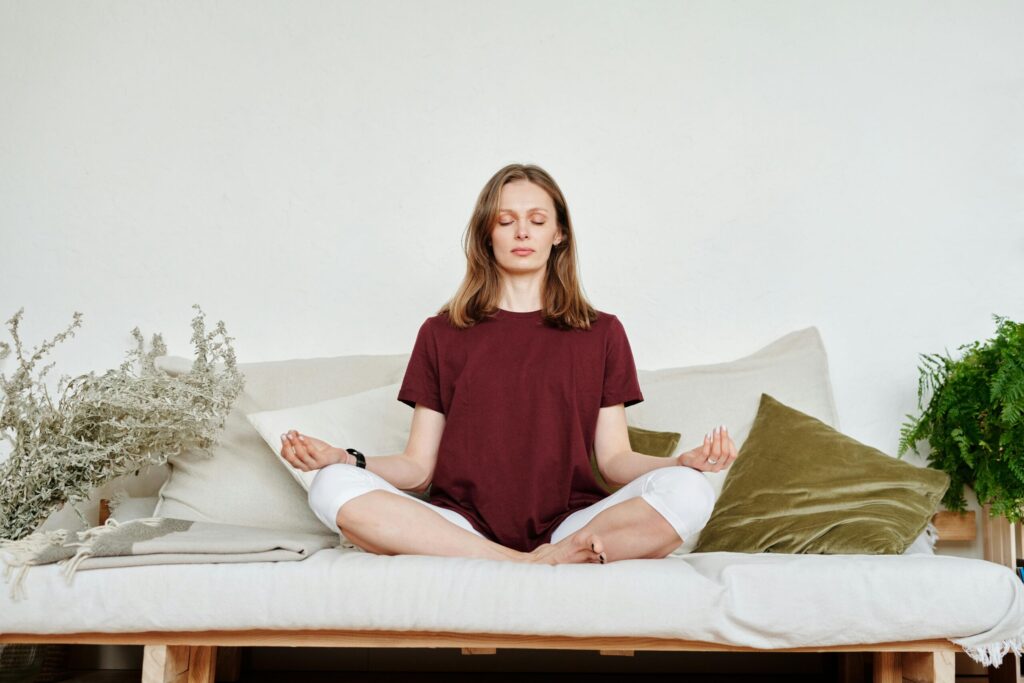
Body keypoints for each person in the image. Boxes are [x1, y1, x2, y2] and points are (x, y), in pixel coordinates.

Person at [281, 163, 738, 566]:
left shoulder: (601, 333)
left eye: (537, 221)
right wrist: (345, 458)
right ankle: (523, 562)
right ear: (487, 233)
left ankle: (546, 553)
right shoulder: (441, 333)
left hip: (570, 523)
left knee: (691, 491)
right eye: (506, 220)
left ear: (558, 235)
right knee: (330, 485)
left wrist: (682, 463)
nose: (522, 232)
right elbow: (418, 469)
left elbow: (615, 461)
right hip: (461, 526)